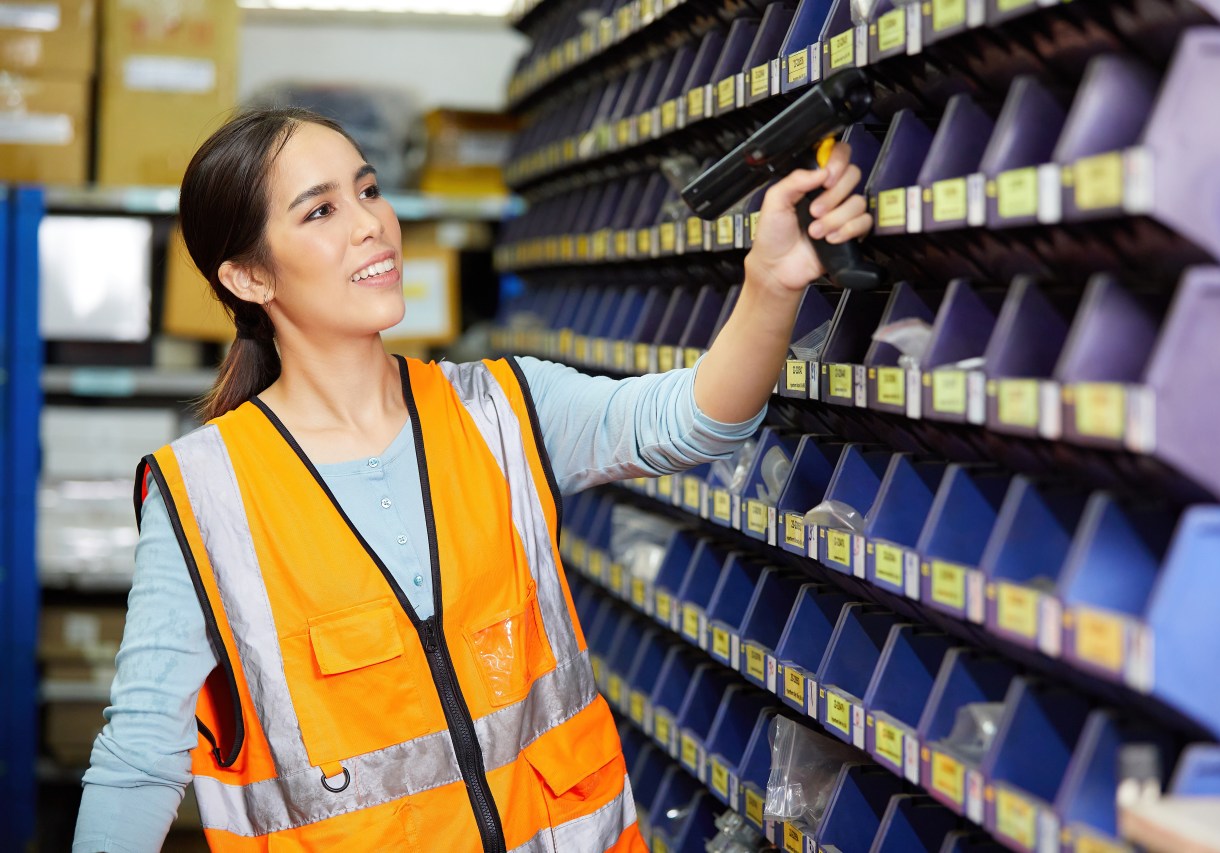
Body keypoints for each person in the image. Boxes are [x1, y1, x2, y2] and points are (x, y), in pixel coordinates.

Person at [71, 107, 873, 852]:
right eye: (320, 211)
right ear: (249, 278)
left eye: (369, 190)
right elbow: (140, 757)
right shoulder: (203, 490)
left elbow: (695, 418)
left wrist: (771, 282)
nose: (370, 225)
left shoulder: (501, 407)